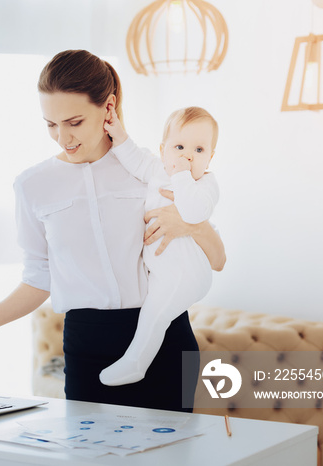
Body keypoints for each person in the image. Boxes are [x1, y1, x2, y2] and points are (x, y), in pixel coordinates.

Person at [0, 50, 226, 412]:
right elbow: (38, 277)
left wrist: (190, 224)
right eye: (51, 124)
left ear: (108, 109)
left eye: (74, 121)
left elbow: (217, 259)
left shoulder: (149, 169)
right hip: (87, 344)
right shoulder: (33, 186)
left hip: (165, 339)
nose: (63, 137)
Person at [98, 106, 219, 387]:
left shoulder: (206, 184)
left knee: (154, 315)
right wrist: (116, 131)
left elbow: (193, 213)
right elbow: (134, 157)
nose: (187, 156)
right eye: (179, 147)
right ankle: (136, 362)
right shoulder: (156, 169)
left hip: (186, 273)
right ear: (163, 150)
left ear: (210, 157)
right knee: (153, 309)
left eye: (199, 150)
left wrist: (182, 176)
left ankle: (136, 363)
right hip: (164, 271)